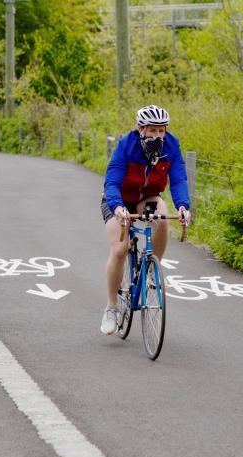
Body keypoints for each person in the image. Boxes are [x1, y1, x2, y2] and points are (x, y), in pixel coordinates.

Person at [100, 104, 191, 335]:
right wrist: (117, 207)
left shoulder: (172, 146)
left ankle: (153, 269)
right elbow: (111, 181)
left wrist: (183, 206)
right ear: (140, 129)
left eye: (161, 131)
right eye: (153, 131)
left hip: (147, 196)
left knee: (161, 218)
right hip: (118, 199)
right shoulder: (126, 146)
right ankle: (111, 308)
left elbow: (178, 178)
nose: (158, 136)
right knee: (120, 249)